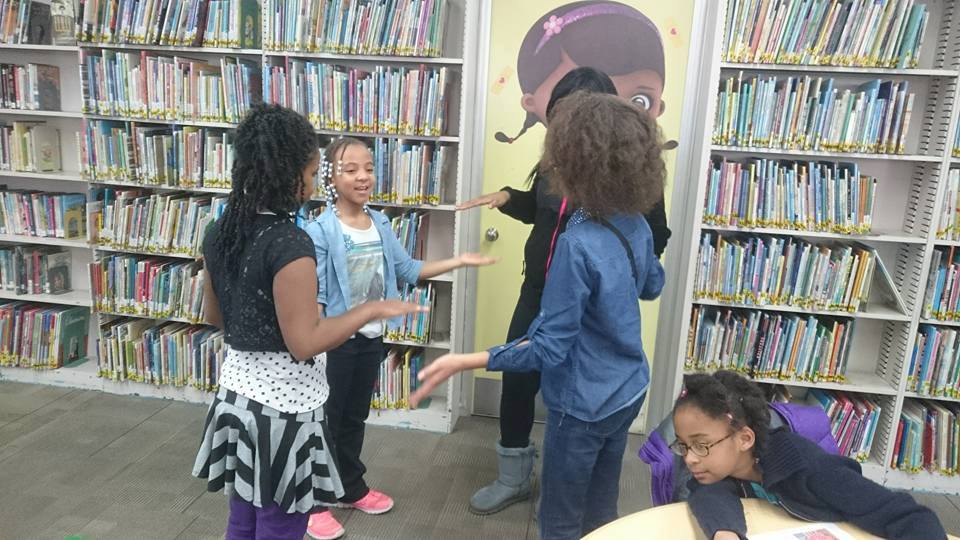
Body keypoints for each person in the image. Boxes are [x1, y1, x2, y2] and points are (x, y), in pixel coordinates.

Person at [411, 91, 666, 539]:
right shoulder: (637, 223)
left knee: (559, 519)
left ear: (571, 161)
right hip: (629, 389)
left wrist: (466, 360)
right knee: (602, 505)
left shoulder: (577, 242)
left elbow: (549, 347)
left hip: (581, 403)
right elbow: (652, 285)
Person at [191, 104, 424, 540]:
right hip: (284, 413)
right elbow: (305, 343)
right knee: (282, 526)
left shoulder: (220, 231)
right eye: (314, 174)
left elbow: (214, 315)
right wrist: (369, 310)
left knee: (242, 521)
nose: (315, 184)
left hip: (236, 400)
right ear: (289, 173)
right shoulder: (288, 243)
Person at [303, 137, 497, 540]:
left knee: (353, 418)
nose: (363, 177)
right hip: (336, 340)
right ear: (330, 176)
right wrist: (319, 346)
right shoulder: (320, 229)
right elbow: (317, 295)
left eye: (369, 168)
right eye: (351, 169)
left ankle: (348, 487)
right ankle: (314, 500)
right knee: (326, 421)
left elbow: (408, 269)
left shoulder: (381, 223)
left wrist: (459, 260)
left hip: (370, 338)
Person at [672, 371, 946, 540]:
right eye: (683, 445)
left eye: (701, 445)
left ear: (744, 439)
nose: (690, 459)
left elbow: (912, 518)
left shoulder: (811, 470)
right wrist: (725, 532)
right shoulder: (720, 466)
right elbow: (707, 493)